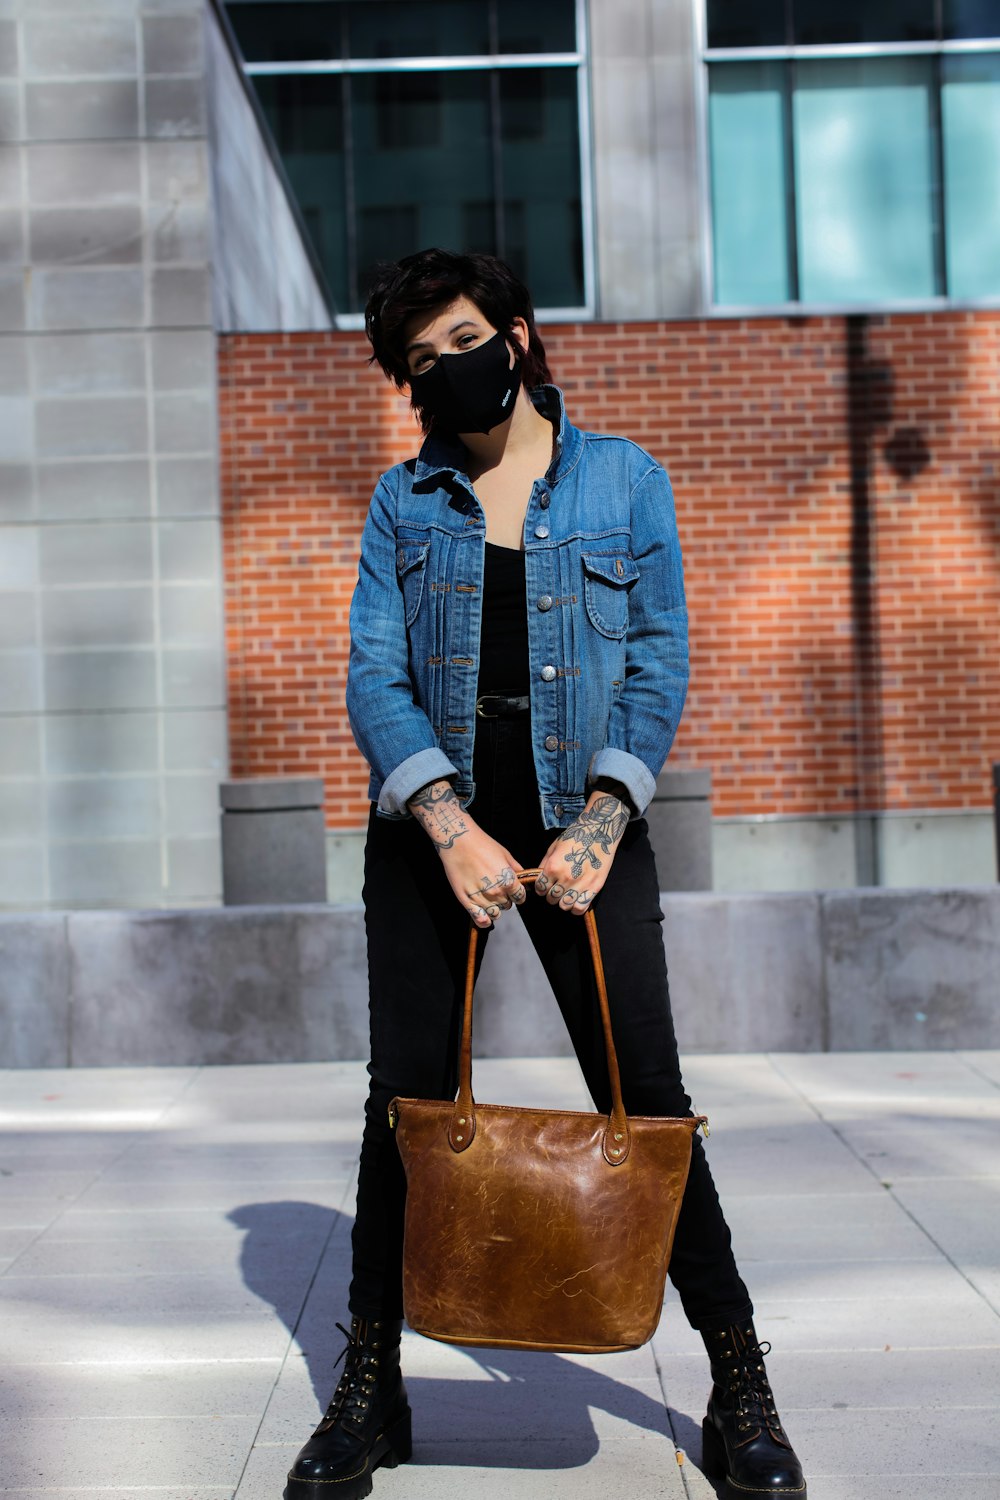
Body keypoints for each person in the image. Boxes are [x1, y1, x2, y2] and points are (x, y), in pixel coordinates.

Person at [284, 249, 807, 1500]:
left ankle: (739, 1380)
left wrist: (605, 817)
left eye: (462, 338)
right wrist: (447, 820)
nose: (447, 369)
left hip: (590, 819)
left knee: (649, 1101)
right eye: (419, 364)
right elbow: (372, 674)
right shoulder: (402, 500)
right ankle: (371, 1386)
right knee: (405, 1107)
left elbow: (660, 658)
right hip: (436, 824)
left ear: (514, 334)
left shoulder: (626, 479)